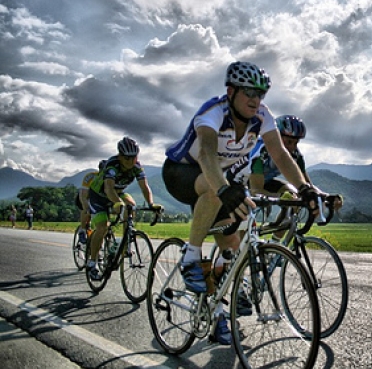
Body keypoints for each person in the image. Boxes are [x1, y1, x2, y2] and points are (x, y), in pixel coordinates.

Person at [162, 61, 325, 345]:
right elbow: (207, 156)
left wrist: (305, 189)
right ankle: (190, 258)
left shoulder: (262, 116)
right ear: (231, 91)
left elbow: (281, 155)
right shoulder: (213, 113)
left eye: (260, 94)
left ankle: (218, 314)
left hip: (215, 179)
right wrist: (224, 188)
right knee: (216, 191)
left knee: (233, 246)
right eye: (249, 92)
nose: (255, 99)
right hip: (182, 173)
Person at [249, 115, 343, 240]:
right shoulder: (261, 151)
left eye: (296, 142)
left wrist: (325, 196)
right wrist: (281, 198)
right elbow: (256, 190)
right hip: (243, 182)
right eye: (288, 142)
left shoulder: (296, 155)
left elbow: (306, 185)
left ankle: (275, 244)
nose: (292, 147)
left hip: (266, 181)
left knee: (297, 194)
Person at [86, 137, 163, 280]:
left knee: (131, 206)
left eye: (134, 157)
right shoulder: (112, 165)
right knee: (102, 227)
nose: (130, 161)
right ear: (120, 156)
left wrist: (151, 204)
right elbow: (109, 188)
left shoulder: (136, 167)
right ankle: (92, 262)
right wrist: (117, 202)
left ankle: (125, 246)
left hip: (118, 193)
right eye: (127, 158)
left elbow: (144, 187)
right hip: (99, 196)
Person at [75, 160, 106, 243]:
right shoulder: (91, 177)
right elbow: (83, 196)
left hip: (98, 199)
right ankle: (82, 230)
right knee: (86, 210)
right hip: (84, 196)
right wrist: (87, 208)